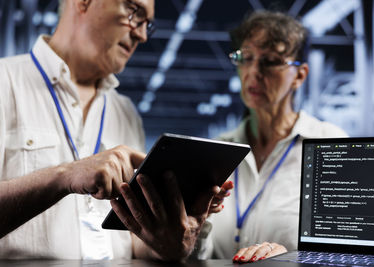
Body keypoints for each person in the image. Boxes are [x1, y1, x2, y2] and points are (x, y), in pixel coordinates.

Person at [0, 0, 221, 261]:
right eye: (133, 11)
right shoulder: (6, 83)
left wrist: (168, 242)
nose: (140, 34)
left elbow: (132, 242)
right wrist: (65, 176)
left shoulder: (125, 112)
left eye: (146, 24)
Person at [194, 10, 348, 263]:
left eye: (270, 61)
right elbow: (195, 252)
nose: (254, 71)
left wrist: (292, 259)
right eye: (246, 58)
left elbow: (349, 247)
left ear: (299, 75)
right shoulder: (216, 151)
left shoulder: (330, 145)